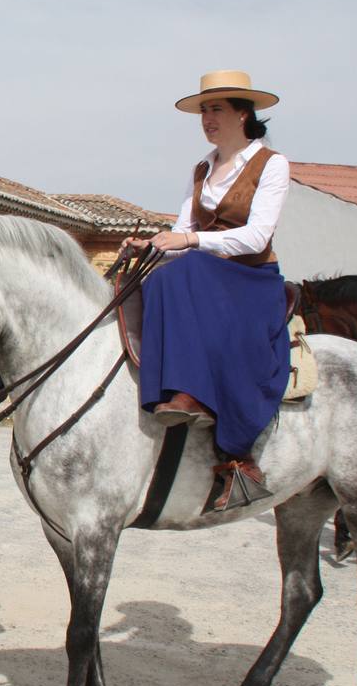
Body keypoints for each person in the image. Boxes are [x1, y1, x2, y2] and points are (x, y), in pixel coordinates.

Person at [123, 70, 290, 514]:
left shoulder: (272, 164)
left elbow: (256, 238)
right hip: (201, 275)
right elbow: (181, 230)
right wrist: (153, 245)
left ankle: (225, 433)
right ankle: (168, 393)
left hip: (250, 280)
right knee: (153, 277)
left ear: (243, 113)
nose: (207, 118)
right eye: (203, 111)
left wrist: (191, 243)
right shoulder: (202, 168)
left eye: (216, 109)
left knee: (187, 267)